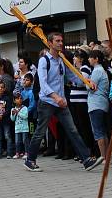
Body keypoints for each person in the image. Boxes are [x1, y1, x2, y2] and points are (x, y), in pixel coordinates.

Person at [23, 32, 100, 172]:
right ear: (50, 43)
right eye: (57, 41)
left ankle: (86, 160)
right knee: (40, 132)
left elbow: (73, 77)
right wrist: (55, 97)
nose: (61, 43)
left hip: (61, 103)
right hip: (47, 102)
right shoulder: (44, 61)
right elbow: (43, 84)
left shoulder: (62, 60)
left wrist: (87, 82)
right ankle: (30, 160)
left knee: (73, 130)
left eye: (61, 41)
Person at [86, 50, 111, 162]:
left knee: (98, 131)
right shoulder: (102, 71)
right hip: (102, 102)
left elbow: (90, 86)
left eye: (91, 57)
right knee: (103, 130)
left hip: (96, 103)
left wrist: (87, 81)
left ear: (96, 59)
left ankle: (103, 156)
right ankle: (107, 156)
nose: (89, 59)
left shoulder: (97, 71)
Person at [11, 92, 29, 159]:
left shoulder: (25, 108)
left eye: (21, 98)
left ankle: (27, 153)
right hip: (17, 128)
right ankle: (18, 153)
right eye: (17, 98)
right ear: (14, 100)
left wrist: (18, 112)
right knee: (17, 141)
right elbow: (12, 119)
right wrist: (13, 114)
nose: (20, 100)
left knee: (25, 140)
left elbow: (25, 116)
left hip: (24, 128)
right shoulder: (13, 109)